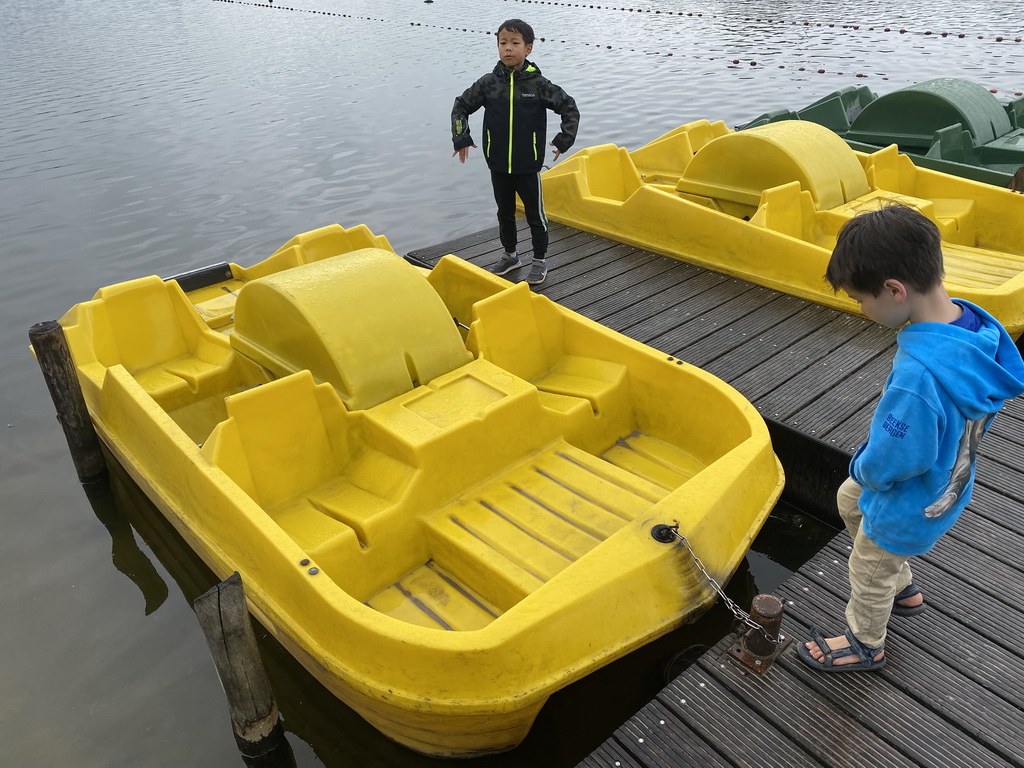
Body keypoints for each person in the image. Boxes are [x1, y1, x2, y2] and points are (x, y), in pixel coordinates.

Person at [799, 203, 1024, 672]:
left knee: (866, 565)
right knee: (846, 499)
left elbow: (896, 458)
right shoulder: (975, 331)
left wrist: (865, 465)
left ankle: (866, 643)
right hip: (948, 479)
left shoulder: (917, 375)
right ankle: (901, 583)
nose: (860, 309)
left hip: (907, 495)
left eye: (862, 299)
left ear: (895, 290)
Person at [451, 19, 579, 286]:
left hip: (527, 164)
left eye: (514, 43)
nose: (508, 48)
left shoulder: (539, 85)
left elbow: (569, 108)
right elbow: (461, 106)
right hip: (497, 162)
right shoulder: (488, 83)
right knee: (504, 212)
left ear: (528, 48)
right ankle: (511, 256)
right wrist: (462, 138)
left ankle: (540, 260)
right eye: (502, 43)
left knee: (535, 215)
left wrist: (563, 140)